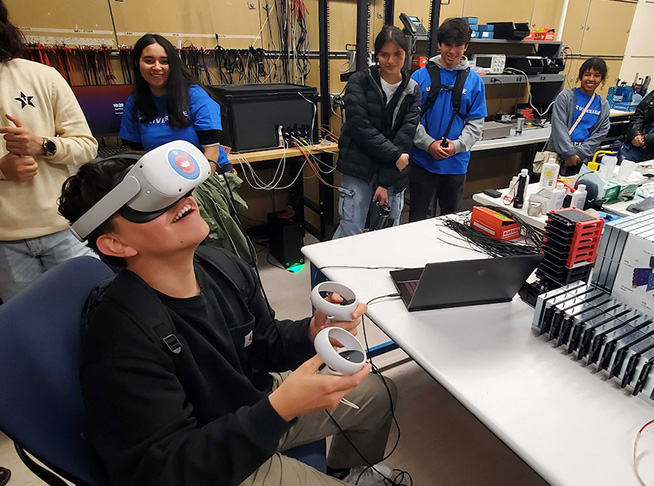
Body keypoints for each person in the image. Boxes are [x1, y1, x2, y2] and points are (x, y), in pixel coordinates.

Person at [58, 151, 399, 486]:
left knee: (378, 393)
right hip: (208, 453)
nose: (182, 200)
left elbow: (263, 343)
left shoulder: (222, 266)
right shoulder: (120, 336)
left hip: (253, 404)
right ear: (116, 244)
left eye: (173, 190)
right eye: (151, 203)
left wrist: (312, 332)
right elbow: (163, 469)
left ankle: (347, 470)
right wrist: (279, 409)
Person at [119, 33, 255, 266]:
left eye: (164, 61)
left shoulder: (193, 95)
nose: (157, 67)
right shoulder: (136, 103)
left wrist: (187, 190)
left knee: (212, 240)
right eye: (149, 60)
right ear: (137, 63)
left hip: (204, 175)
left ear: (173, 63)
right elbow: (135, 155)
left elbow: (211, 153)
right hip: (163, 184)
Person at [0, 0, 97, 302]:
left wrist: (43, 145)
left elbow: (87, 146)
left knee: (99, 312)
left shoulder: (43, 76)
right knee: (33, 326)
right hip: (5, 244)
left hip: (64, 228)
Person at [333, 25, 421, 239]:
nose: (391, 60)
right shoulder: (359, 82)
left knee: (385, 237)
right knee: (350, 233)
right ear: (376, 55)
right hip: (359, 168)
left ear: (406, 54)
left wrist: (384, 181)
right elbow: (359, 127)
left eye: (397, 54)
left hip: (392, 174)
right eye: (384, 54)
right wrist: (394, 155)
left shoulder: (412, 90)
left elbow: (405, 137)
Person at [409, 17, 487, 221]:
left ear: (466, 46)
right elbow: (410, 119)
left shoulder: (475, 82)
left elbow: (476, 124)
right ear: (439, 45)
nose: (452, 51)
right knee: (416, 219)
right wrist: (428, 144)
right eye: (447, 45)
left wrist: (457, 146)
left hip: (456, 163)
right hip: (422, 161)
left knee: (451, 221)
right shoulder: (419, 77)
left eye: (458, 45)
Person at [546, 57, 611, 176]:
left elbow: (600, 133)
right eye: (587, 74)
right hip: (559, 155)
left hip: (583, 159)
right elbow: (559, 127)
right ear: (580, 76)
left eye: (597, 75)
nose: (591, 79)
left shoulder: (603, 105)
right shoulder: (565, 97)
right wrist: (569, 154)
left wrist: (579, 154)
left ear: (602, 79)